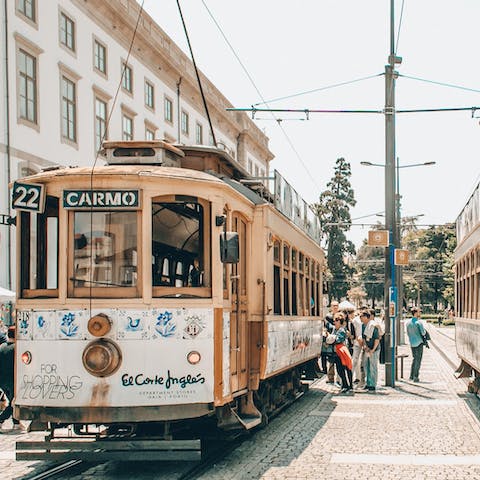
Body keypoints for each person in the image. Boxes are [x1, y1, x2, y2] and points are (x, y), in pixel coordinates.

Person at [0, 327, 25, 432]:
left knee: (13, 401)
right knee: (14, 402)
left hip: (2, 380)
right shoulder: (17, 348)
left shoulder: (1, 347)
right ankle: (1, 419)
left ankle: (16, 422)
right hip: (13, 380)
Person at [329, 312, 353, 393]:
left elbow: (337, 340)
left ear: (340, 321)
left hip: (341, 351)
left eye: (336, 320)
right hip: (337, 352)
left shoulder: (341, 330)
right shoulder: (335, 329)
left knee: (345, 368)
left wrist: (331, 338)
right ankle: (345, 385)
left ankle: (348, 386)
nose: (334, 322)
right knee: (340, 369)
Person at [360, 310, 380, 391]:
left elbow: (377, 339)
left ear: (366, 317)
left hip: (374, 349)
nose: (360, 318)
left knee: (373, 366)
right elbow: (363, 337)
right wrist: (365, 346)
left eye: (361, 316)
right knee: (366, 366)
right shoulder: (363, 326)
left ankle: (373, 384)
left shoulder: (373, 325)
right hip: (367, 348)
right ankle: (368, 383)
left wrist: (373, 350)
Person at [405, 307, 426, 382]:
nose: (420, 313)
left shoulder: (408, 323)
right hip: (419, 343)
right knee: (418, 360)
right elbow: (423, 333)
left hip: (412, 343)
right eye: (419, 312)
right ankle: (415, 376)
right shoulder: (419, 322)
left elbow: (407, 333)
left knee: (414, 359)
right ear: (416, 313)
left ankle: (411, 375)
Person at [324, 301, 339, 383]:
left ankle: (338, 378)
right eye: (334, 306)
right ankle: (330, 377)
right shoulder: (328, 317)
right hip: (330, 340)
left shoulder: (341, 316)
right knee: (330, 359)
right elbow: (325, 327)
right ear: (331, 307)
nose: (335, 307)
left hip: (338, 340)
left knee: (339, 359)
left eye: (337, 306)